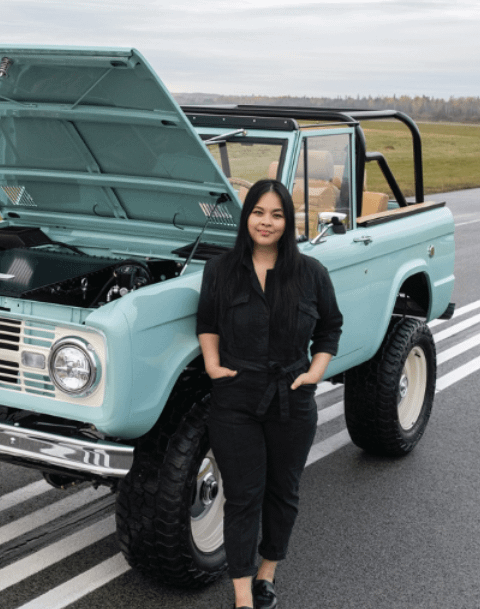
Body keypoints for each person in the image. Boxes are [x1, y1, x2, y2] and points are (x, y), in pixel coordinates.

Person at [196, 178, 343, 609]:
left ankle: (266, 574)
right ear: (246, 218)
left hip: (291, 397)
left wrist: (314, 374)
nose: (267, 222)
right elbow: (207, 322)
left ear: (288, 221)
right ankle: (243, 597)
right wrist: (211, 364)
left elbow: (330, 327)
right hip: (235, 398)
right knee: (243, 496)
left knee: (283, 491)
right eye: (259, 212)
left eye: (277, 215)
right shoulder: (220, 270)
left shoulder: (310, 273)